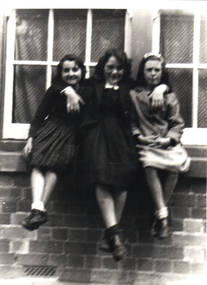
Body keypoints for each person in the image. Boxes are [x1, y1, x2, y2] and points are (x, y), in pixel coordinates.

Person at [61, 49, 170, 261]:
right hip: (96, 136)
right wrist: (68, 91)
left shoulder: (130, 85)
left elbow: (160, 81)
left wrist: (161, 89)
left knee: (122, 181)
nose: (114, 72)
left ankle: (110, 237)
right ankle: (114, 236)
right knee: (100, 178)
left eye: (119, 68)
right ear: (103, 67)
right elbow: (61, 80)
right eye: (110, 67)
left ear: (124, 70)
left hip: (123, 137)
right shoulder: (92, 84)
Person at [21, 54, 93, 231]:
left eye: (75, 69)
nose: (71, 74)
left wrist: (72, 92)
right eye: (66, 70)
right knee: (37, 161)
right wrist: (30, 138)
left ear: (82, 71)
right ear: (60, 73)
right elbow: (38, 116)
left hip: (71, 133)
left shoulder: (88, 91)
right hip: (50, 129)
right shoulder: (54, 90)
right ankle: (37, 207)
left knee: (56, 165)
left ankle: (40, 208)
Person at [130, 52, 191, 239]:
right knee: (148, 164)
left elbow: (177, 124)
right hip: (146, 144)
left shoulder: (170, 97)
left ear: (162, 73)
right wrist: (139, 137)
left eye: (157, 70)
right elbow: (131, 122)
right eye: (149, 70)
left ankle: (160, 214)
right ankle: (163, 215)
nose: (153, 74)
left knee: (176, 165)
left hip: (165, 143)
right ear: (143, 72)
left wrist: (168, 139)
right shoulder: (133, 95)